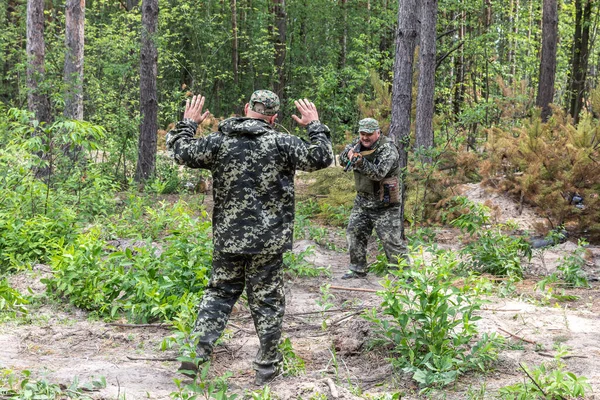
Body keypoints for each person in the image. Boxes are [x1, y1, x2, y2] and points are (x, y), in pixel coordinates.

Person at [166, 90, 333, 385]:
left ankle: (194, 358)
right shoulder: (283, 142)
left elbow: (179, 152)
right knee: (267, 300)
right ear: (274, 117)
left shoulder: (220, 141)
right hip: (268, 242)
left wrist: (188, 123)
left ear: (246, 108)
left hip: (228, 238)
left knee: (218, 295)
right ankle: (266, 368)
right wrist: (314, 124)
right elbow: (321, 157)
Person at [339, 118, 408, 279]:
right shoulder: (357, 144)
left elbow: (378, 174)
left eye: (369, 134)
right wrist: (349, 156)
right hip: (363, 200)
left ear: (377, 132)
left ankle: (403, 275)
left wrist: (360, 161)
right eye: (362, 134)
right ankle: (357, 269)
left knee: (391, 240)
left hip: (385, 204)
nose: (365, 138)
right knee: (354, 233)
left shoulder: (388, 149)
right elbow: (343, 160)